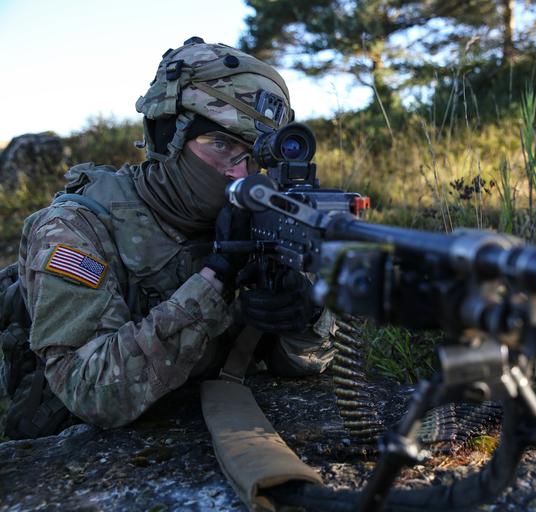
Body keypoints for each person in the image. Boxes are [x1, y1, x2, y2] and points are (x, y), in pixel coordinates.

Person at [13, 37, 334, 431]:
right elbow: (90, 390)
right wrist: (216, 278)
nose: (241, 173)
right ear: (169, 138)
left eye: (255, 157)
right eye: (222, 144)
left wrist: (304, 317)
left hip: (223, 429)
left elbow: (303, 366)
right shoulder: (76, 226)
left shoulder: (264, 219)